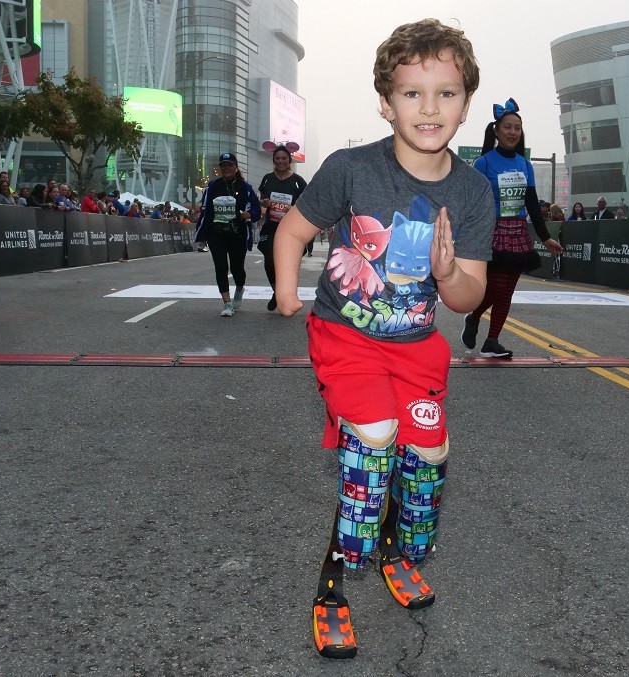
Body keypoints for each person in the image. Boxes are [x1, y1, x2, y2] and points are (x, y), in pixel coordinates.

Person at [272, 18, 494, 659]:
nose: (429, 108)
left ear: (466, 104)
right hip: (347, 337)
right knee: (372, 446)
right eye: (412, 93)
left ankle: (398, 552)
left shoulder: (472, 190)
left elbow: (469, 297)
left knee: (424, 457)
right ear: (386, 102)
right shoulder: (351, 169)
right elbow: (293, 230)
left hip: (418, 347)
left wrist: (448, 273)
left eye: (446, 93)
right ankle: (333, 589)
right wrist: (287, 291)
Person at [461, 98, 563, 357]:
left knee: (507, 291)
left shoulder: (524, 164)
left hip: (517, 231)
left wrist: (545, 237)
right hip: (492, 231)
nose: (513, 132)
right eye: (507, 127)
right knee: (496, 286)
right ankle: (474, 318)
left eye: (517, 127)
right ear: (496, 131)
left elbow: (531, 203)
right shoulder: (483, 163)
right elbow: (473, 202)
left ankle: (491, 341)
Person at [194, 152, 260, 317]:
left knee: (237, 269)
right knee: (220, 267)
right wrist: (201, 234)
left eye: (229, 165)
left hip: (237, 234)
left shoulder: (245, 187)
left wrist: (248, 214)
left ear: (236, 167)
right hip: (216, 234)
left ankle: (239, 288)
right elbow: (205, 211)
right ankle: (227, 303)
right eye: (223, 165)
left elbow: (256, 209)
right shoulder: (212, 186)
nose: (226, 168)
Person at [257, 144, 307, 311]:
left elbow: (306, 204)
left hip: (291, 229)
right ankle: (276, 291)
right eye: (277, 158)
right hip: (271, 226)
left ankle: (282, 294)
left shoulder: (298, 181)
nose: (280, 161)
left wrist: (293, 208)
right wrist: (264, 203)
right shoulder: (267, 178)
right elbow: (262, 199)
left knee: (287, 262)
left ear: (290, 160)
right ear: (273, 160)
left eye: (284, 158)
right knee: (269, 258)